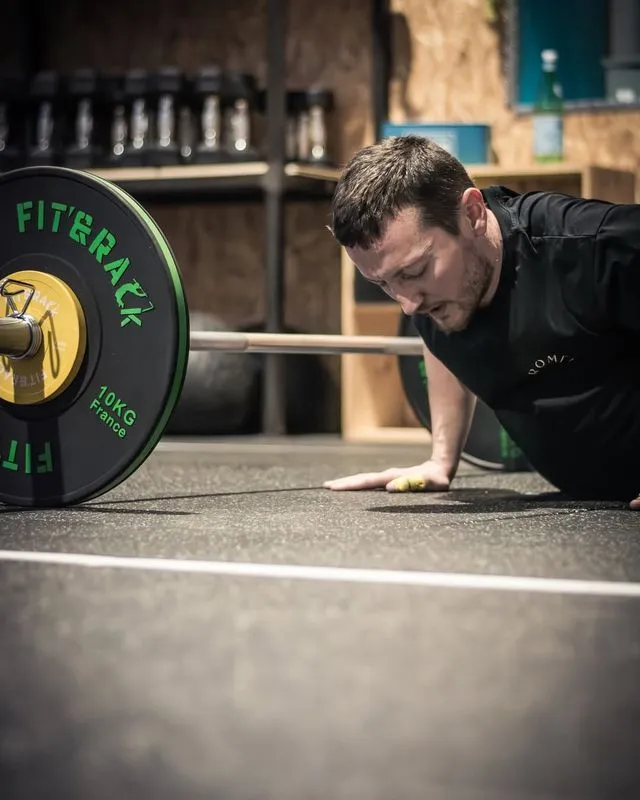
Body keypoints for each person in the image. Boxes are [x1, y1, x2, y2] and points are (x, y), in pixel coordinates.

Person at [322, 135, 640, 511]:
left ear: (472, 215)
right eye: (384, 283)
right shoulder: (435, 295)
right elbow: (442, 340)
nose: (407, 305)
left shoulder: (594, 245)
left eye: (415, 270)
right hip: (592, 511)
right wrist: (442, 458)